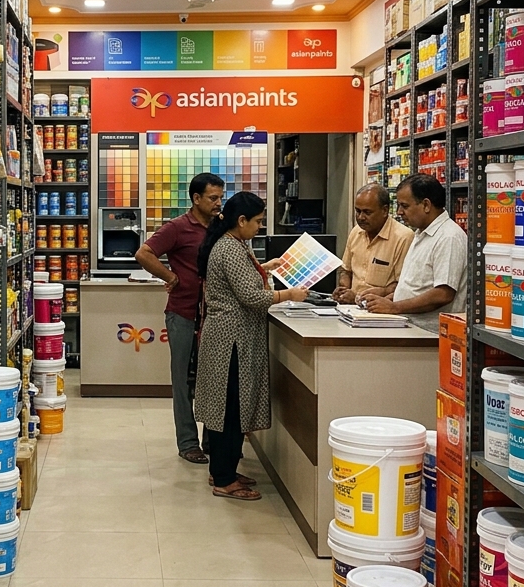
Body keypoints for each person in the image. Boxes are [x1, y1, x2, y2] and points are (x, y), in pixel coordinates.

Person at [194, 192, 308, 499]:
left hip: (230, 338)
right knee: (230, 409)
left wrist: (266, 267)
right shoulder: (230, 249)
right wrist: (290, 295)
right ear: (241, 221)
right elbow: (252, 297)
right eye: (257, 221)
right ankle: (223, 478)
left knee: (228, 407)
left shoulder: (234, 245)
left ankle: (224, 470)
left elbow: (241, 283)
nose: (260, 227)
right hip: (231, 341)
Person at [135, 172, 225, 464]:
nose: (218, 203)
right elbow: (144, 253)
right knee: (183, 381)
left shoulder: (220, 227)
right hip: (183, 313)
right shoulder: (177, 227)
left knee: (212, 379)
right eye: (213, 198)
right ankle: (188, 443)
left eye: (220, 197)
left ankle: (214, 439)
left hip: (214, 315)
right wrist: (169, 275)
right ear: (196, 199)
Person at [360, 173, 467, 329]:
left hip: (430, 335)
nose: (399, 212)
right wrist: (388, 300)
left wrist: (395, 307)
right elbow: (416, 286)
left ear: (426, 205)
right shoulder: (421, 233)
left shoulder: (448, 237)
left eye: (404, 206)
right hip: (411, 326)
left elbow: (443, 294)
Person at [333, 183, 413, 304]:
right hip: (350, 308)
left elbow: (402, 285)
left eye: (367, 212)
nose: (361, 217)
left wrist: (359, 297)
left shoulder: (403, 237)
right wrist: (343, 289)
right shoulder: (356, 232)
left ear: (385, 210)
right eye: (358, 211)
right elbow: (346, 270)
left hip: (381, 311)